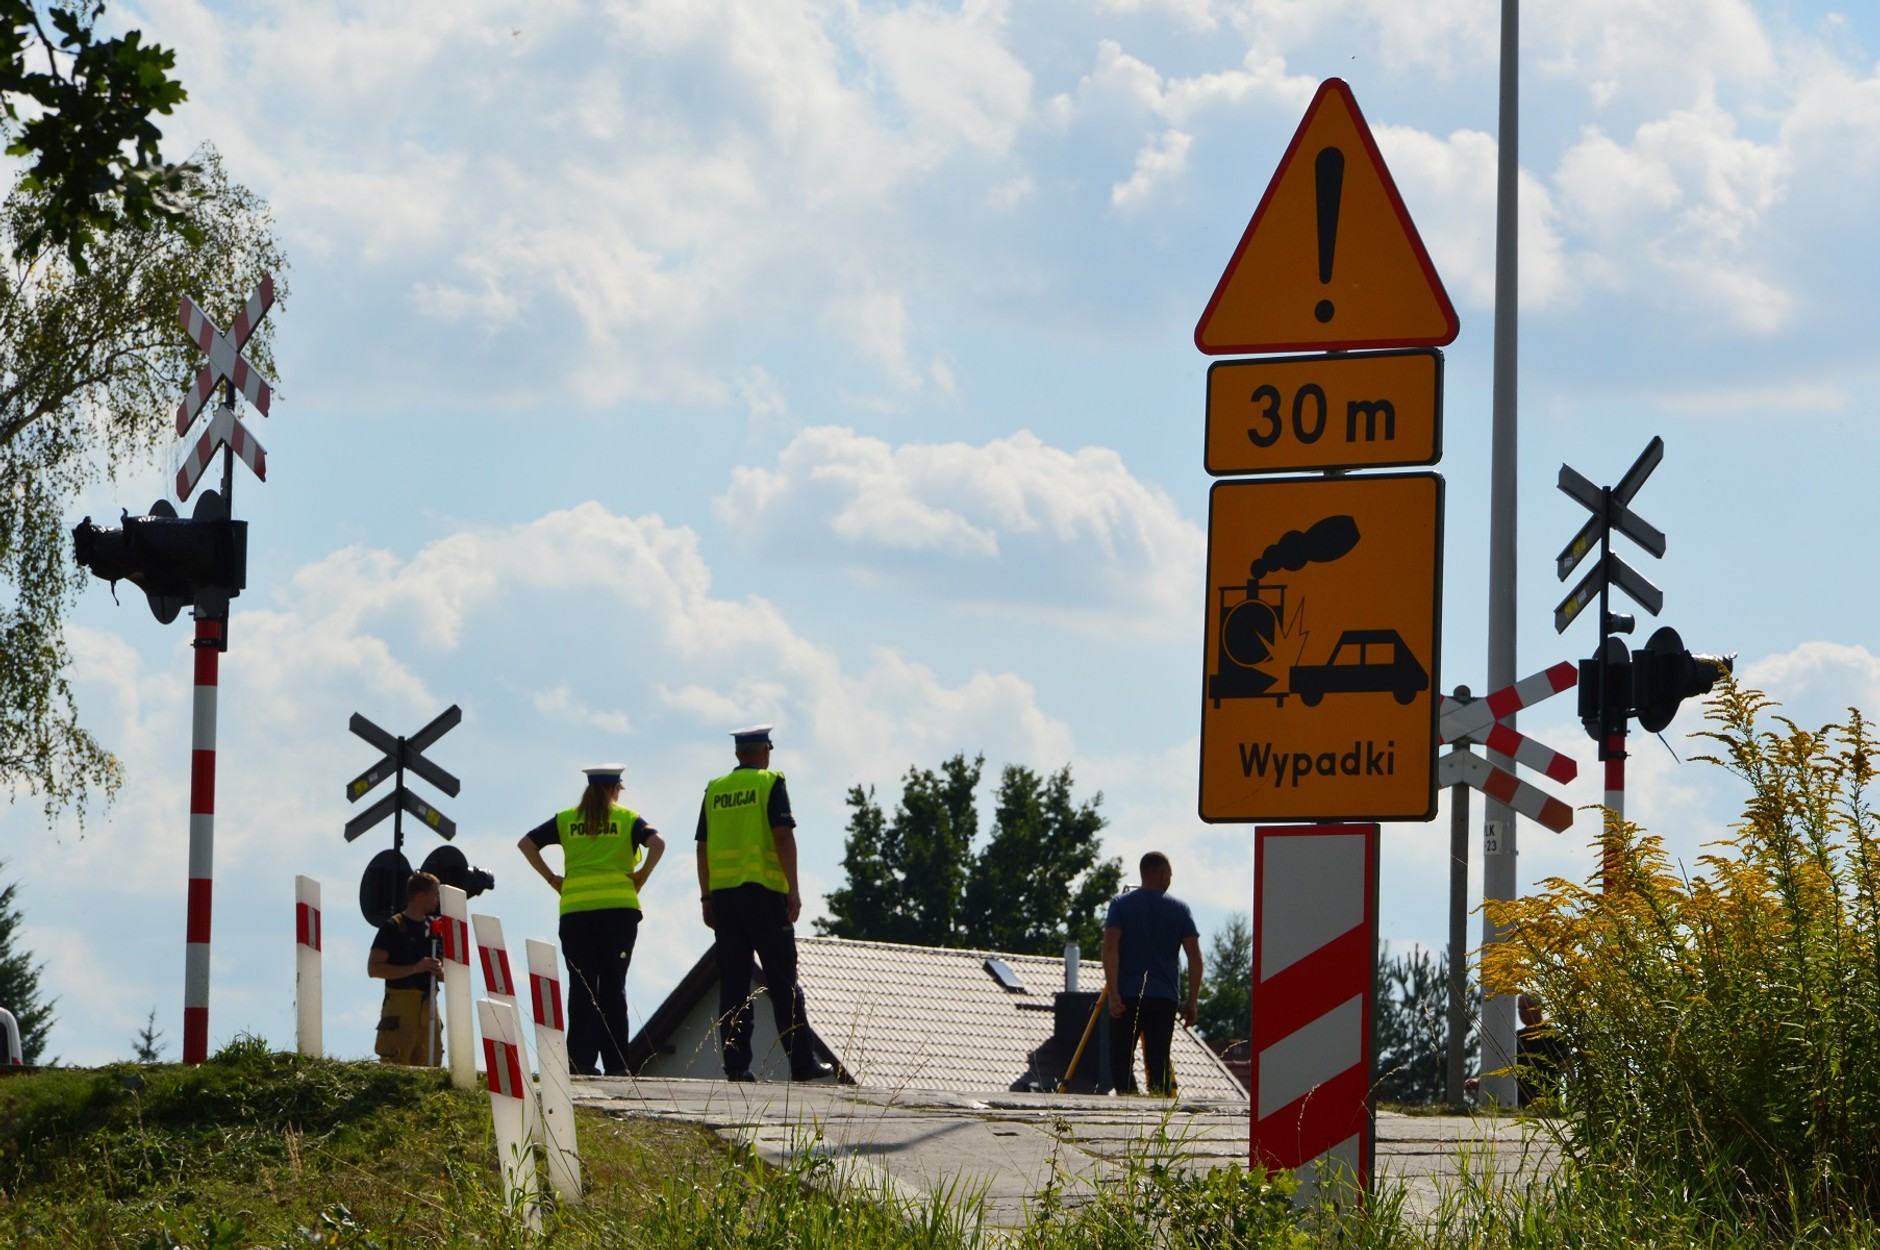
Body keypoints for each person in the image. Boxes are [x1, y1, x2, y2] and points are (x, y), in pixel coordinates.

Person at [697, 725, 832, 1083]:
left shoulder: (715, 789)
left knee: (734, 985)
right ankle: (802, 1065)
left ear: (738, 753)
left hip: (724, 899)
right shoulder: (770, 783)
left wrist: (706, 896)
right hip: (764, 895)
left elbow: (701, 846)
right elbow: (782, 835)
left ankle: (737, 1066)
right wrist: (794, 889)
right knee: (783, 981)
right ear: (766, 750)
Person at [518, 762, 665, 1075]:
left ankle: (580, 1061)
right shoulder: (628, 819)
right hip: (619, 912)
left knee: (582, 986)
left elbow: (526, 844)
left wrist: (552, 879)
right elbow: (658, 843)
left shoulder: (567, 819)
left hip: (576, 912)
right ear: (616, 789)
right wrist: (642, 875)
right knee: (614, 986)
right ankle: (617, 1065)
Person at [1103, 851, 1202, 1096]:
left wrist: (1113, 993)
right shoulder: (1180, 909)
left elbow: (1110, 947)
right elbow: (1195, 958)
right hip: (1164, 997)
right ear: (1161, 874)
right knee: (1158, 1059)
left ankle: (1130, 1103)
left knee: (1120, 1057)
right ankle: (1158, 1111)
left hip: (1128, 994)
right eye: (1169, 873)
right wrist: (1192, 1001)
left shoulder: (1120, 905)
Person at [368, 871, 445, 1066]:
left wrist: (439, 970)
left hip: (429, 1005)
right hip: (401, 1006)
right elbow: (374, 969)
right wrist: (414, 968)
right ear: (420, 897)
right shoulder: (393, 927)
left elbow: (446, 974)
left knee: (431, 1065)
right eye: (435, 894)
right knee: (397, 1065)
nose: (438, 899)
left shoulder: (434, 929)